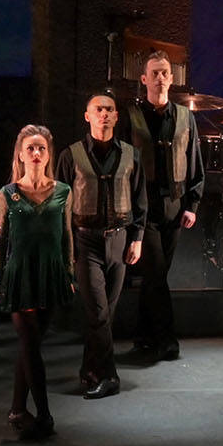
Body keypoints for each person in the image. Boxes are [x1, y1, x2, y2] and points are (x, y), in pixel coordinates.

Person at [54, 90, 146, 400]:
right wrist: (66, 250)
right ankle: (109, 377)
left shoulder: (132, 155)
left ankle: (89, 370)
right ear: (87, 116)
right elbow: (61, 206)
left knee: (107, 312)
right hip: (85, 241)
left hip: (119, 240)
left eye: (109, 109)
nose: (104, 114)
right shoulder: (70, 155)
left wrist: (137, 238)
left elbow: (139, 201)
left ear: (117, 116)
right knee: (97, 312)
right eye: (98, 109)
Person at [0, 125, 75, 441]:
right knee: (29, 344)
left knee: (32, 346)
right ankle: (44, 414)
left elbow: (66, 236)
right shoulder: (7, 194)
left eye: (41, 148)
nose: (36, 153)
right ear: (21, 155)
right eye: (30, 148)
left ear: (48, 153)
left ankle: (16, 408)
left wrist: (68, 274)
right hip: (19, 275)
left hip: (51, 275)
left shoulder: (63, 191)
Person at [127, 51, 204, 362]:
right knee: (156, 272)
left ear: (172, 79)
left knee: (156, 276)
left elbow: (196, 164)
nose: (160, 78)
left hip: (174, 207)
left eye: (164, 73)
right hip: (143, 208)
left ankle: (143, 337)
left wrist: (192, 204)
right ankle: (167, 339)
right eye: (154, 73)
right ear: (144, 79)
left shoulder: (186, 117)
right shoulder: (130, 116)